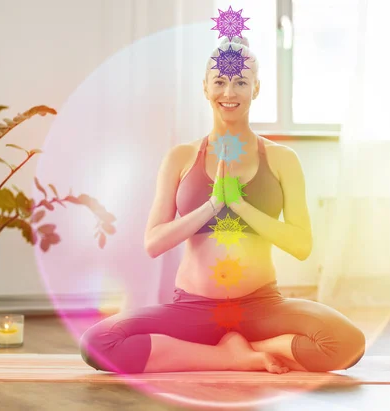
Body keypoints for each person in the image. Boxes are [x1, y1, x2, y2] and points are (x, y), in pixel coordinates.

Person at [79, 36, 366, 374]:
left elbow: (301, 245)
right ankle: (229, 356)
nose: (229, 93)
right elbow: (153, 243)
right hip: (193, 309)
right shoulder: (181, 157)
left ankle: (253, 347)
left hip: (261, 307)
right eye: (220, 81)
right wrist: (213, 204)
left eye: (240, 82)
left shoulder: (282, 159)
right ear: (205, 87)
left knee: (348, 343)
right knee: (98, 344)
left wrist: (241, 206)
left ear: (255, 89)